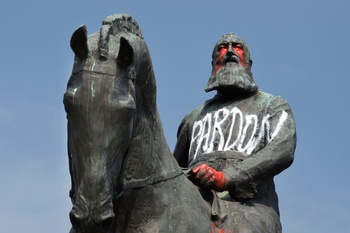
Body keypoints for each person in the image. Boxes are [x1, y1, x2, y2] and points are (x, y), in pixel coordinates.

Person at [174, 33, 296, 233]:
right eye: (222, 47)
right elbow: (174, 168)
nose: (229, 51)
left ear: (248, 62)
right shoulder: (192, 117)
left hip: (249, 206)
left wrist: (227, 177)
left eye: (236, 47)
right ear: (213, 61)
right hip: (195, 203)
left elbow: (282, 149)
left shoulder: (273, 105)